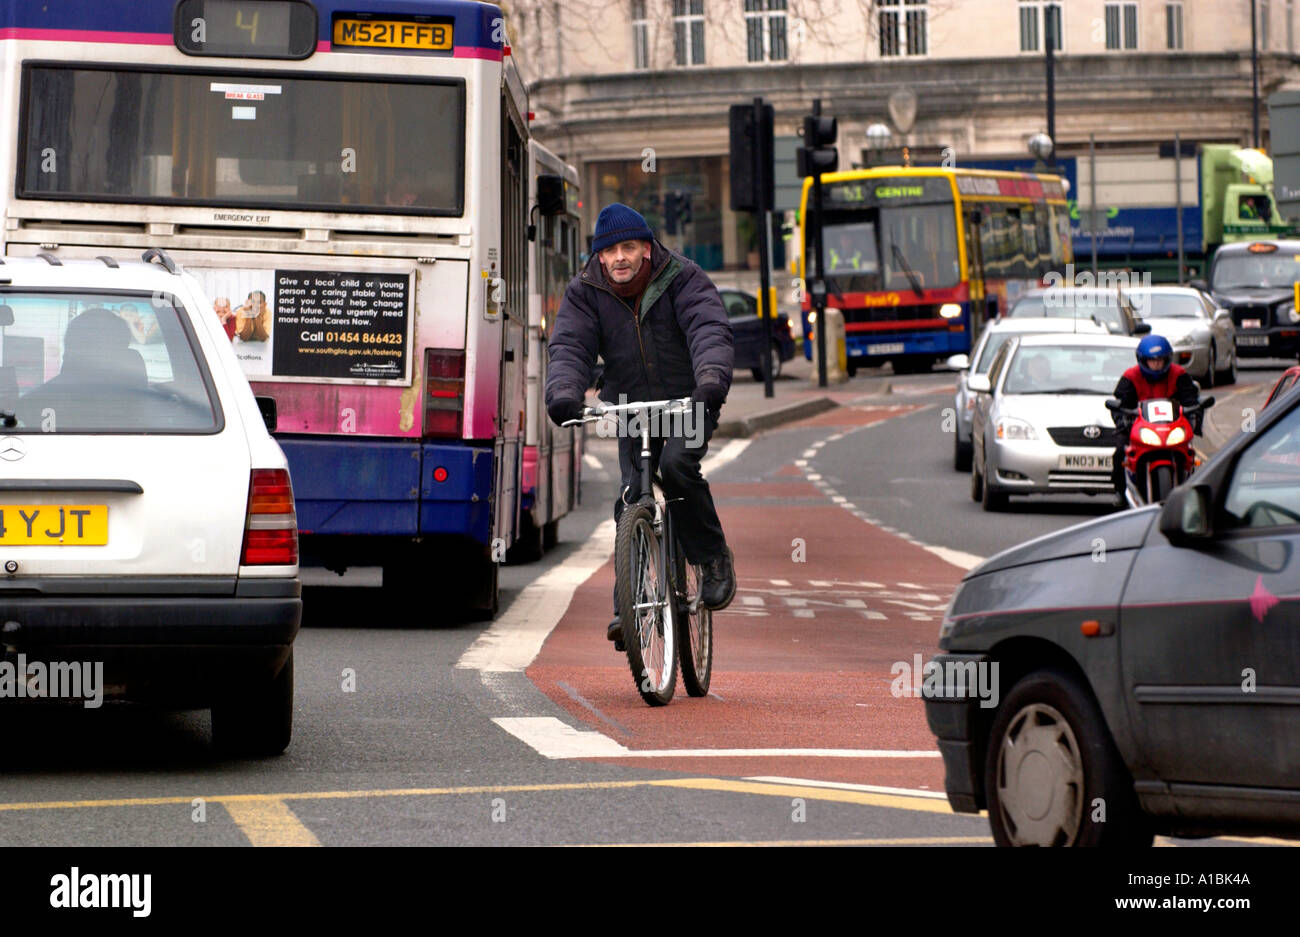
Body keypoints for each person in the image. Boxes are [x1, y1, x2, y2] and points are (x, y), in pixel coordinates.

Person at [545, 203, 736, 645]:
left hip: (689, 398)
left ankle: (712, 559)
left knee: (677, 468)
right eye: (610, 250)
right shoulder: (585, 290)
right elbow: (570, 345)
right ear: (599, 256)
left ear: (646, 248)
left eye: (628, 247)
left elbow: (708, 329)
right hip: (629, 405)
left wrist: (709, 381)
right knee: (633, 494)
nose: (619, 258)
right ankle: (627, 605)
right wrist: (563, 395)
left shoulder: (683, 277)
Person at [1110, 334, 1200, 503]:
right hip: (1141, 428)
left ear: (1168, 359)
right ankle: (1120, 492)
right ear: (1142, 360)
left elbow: (1192, 400)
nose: (1157, 365)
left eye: (1160, 360)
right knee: (1120, 450)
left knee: (1191, 454)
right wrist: (1123, 422)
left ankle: (1191, 487)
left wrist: (1194, 417)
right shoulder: (1130, 377)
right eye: (1152, 361)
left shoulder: (1179, 374)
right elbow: (1120, 404)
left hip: (1172, 429)